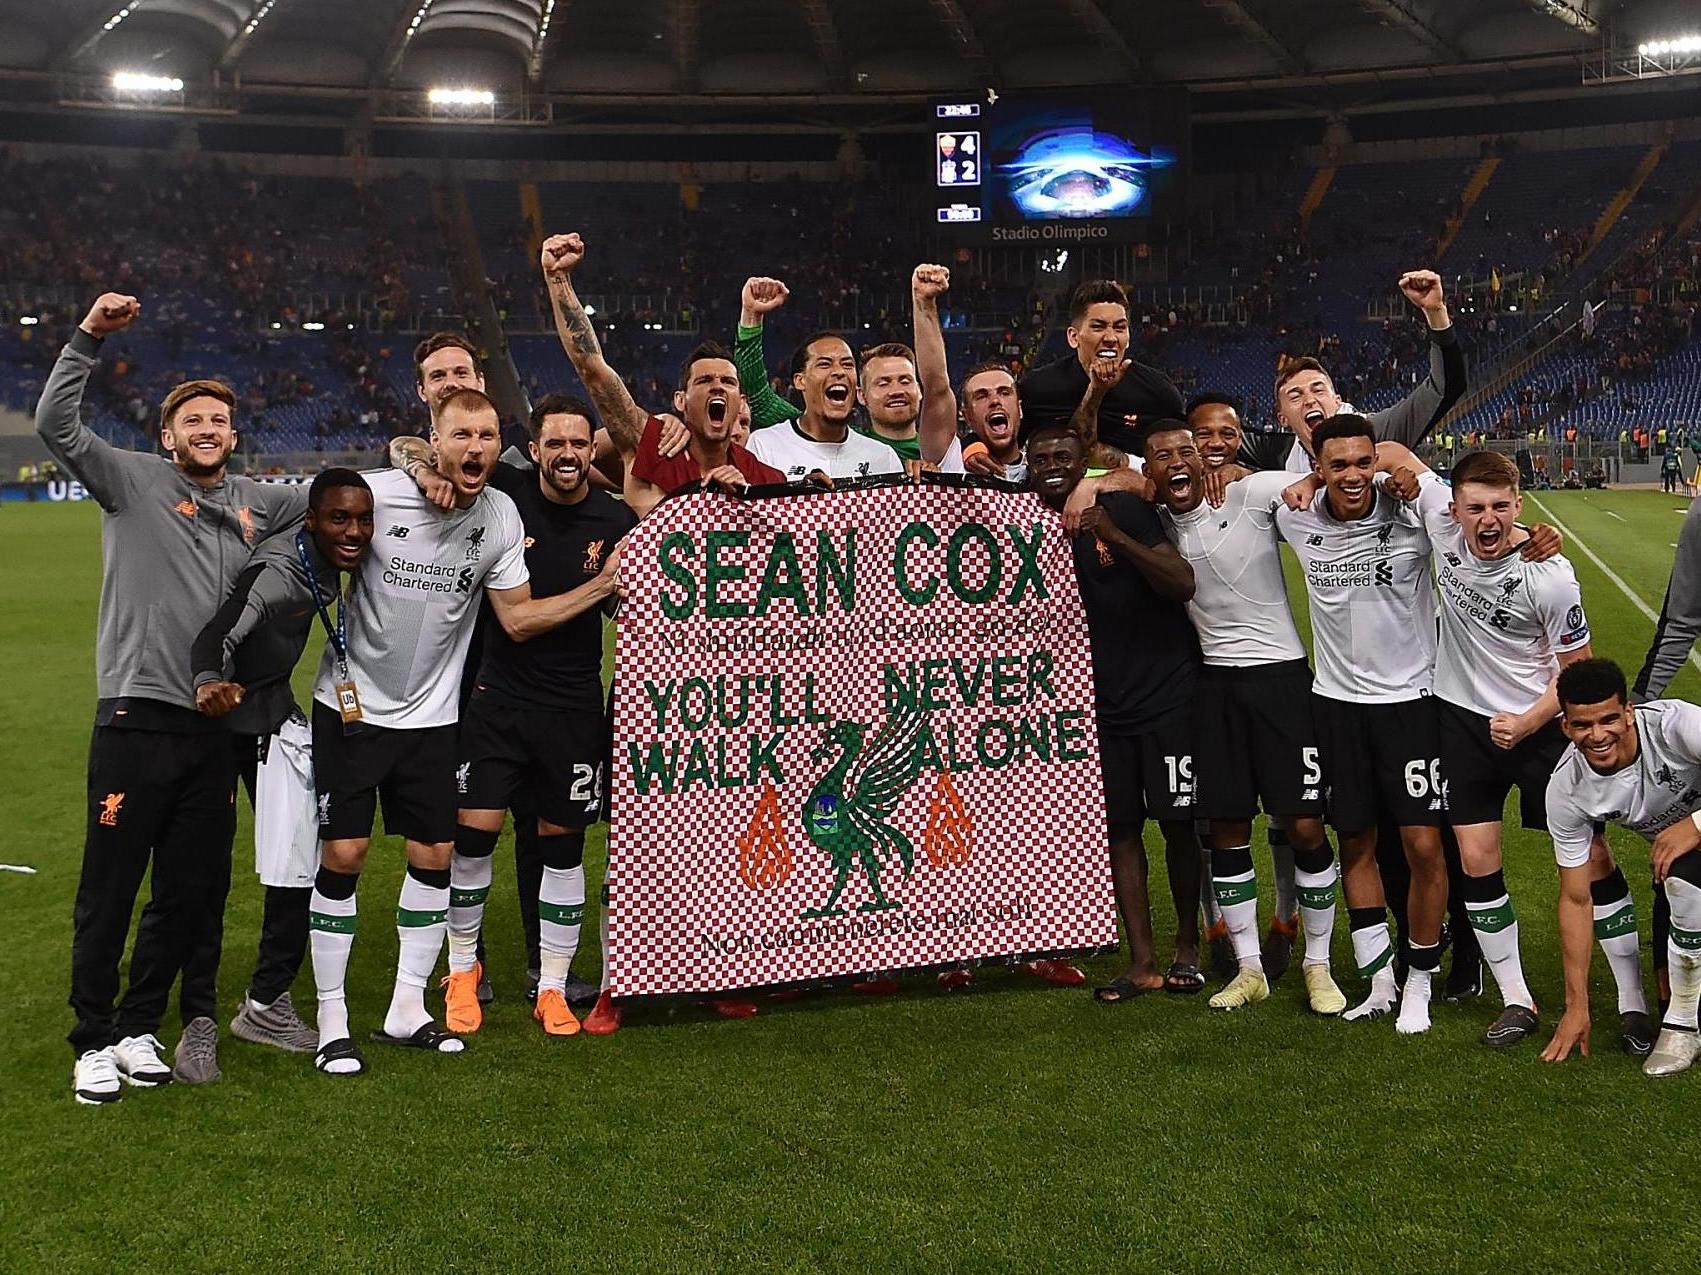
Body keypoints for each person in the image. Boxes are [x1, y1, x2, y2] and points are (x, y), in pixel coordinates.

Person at [40, 292, 311, 1106]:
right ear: (167, 433)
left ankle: (134, 1026)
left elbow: (345, 494)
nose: (205, 429)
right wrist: (88, 335)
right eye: (191, 419)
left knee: (184, 892)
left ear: (234, 436)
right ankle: (90, 1038)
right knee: (110, 887)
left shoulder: (258, 503)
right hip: (133, 717)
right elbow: (57, 425)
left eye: (218, 421)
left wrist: (426, 462)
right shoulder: (130, 478)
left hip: (211, 729)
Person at [306, 387, 622, 1077]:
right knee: (346, 854)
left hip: (437, 717)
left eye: (485, 434)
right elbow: (312, 513)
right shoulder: (381, 493)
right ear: (434, 438)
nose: (475, 447)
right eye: (461, 435)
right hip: (353, 710)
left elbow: (514, 612)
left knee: (434, 854)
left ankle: (405, 1008)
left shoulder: (501, 514)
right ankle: (333, 1018)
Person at [393, 394, 631, 1039]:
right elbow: (414, 448)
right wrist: (422, 469)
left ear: (591, 449)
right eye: (553, 443)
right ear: (535, 449)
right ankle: (463, 970)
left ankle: (552, 987)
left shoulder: (612, 522)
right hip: (497, 700)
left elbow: (632, 616)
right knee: (472, 840)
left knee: (563, 845)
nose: (566, 455)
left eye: (578, 444)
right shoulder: (504, 493)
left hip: (575, 707)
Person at [1142, 422, 1346, 1016]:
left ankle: (1318, 964)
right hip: (1215, 687)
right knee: (1227, 829)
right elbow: (1108, 476)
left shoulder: (1248, 495)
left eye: (1188, 451)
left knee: (1306, 827)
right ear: (1151, 472)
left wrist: (1266, 475)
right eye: (1163, 457)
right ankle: (1251, 967)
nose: (1178, 462)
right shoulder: (1155, 520)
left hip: (1281, 681)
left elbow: (1314, 481)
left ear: (1207, 457)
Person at [1414, 449, 1599, 1048]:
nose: (1486, 520)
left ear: (1519, 506)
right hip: (1462, 723)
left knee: (1591, 858)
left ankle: (1626, 999)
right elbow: (1389, 450)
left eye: (1500, 506)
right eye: (1475, 508)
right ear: (1454, 509)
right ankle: (1517, 998)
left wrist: (1526, 721)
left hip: (1538, 727)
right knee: (1476, 859)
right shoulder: (1439, 524)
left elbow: (1579, 673)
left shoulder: (1549, 574)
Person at [1273, 418, 1452, 1032]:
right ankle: (1379, 983)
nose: (1350, 475)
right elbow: (1232, 484)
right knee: (1356, 842)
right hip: (1337, 707)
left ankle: (1420, 980)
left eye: (1361, 463)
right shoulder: (1295, 515)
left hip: (1411, 703)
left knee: (1423, 844)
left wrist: (1410, 475)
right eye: (1336, 465)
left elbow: (1483, 514)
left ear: (1375, 461)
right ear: (1317, 467)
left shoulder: (1413, 513)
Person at [190, 469, 376, 1055]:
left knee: (299, 856)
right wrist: (210, 681)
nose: (354, 531)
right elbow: (217, 635)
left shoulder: (334, 558)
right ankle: (182, 1006)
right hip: (221, 725)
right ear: (312, 520)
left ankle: (266, 1003)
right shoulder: (280, 574)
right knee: (199, 865)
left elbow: (390, 466)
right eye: (339, 519)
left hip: (272, 713)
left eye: (363, 520)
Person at [1028, 423, 1206, 1001]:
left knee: (1180, 823)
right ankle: (1143, 961)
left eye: (1064, 455)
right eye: (1042, 458)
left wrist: (1115, 535)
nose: (1053, 465)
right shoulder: (1026, 523)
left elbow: (1181, 583)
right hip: (1098, 708)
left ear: (1087, 464)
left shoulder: (1122, 508)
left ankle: (1188, 948)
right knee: (1120, 831)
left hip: (1167, 695)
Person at [538, 234, 783, 514]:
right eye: (704, 381)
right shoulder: (652, 445)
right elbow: (592, 369)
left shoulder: (766, 480)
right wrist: (558, 279)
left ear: (740, 402)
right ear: (680, 400)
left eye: (727, 382)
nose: (717, 387)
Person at [1540, 660, 1670, 1067]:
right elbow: (1577, 900)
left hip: (1689, 841)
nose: (1597, 736)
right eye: (1582, 725)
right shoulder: (1566, 789)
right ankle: (1669, 1014)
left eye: (1609, 719)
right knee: (1680, 886)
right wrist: (1576, 1004)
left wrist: (1693, 826)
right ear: (1565, 726)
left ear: (1629, 712)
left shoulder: (1676, 728)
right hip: (1682, 864)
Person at [1248, 270, 1465, 474]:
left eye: (1319, 390)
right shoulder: (1281, 455)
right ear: (1282, 419)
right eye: (1295, 396)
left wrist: (1435, 311)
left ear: (1338, 400)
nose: (1310, 400)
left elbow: (1445, 387)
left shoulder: (1374, 432)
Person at [734, 274, 957, 472]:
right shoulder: (784, 437)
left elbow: (937, 386)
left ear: (920, 390)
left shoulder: (937, 451)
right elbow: (758, 395)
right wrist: (751, 318)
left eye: (905, 380)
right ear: (862, 394)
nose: (896, 390)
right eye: (883, 382)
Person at [732, 284, 905, 481]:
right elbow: (757, 392)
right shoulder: (764, 446)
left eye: (847, 364)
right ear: (800, 381)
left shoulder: (883, 458)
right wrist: (751, 317)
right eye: (825, 364)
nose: (839, 371)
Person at [1017, 279, 1185, 462]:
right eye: (1098, 327)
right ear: (1074, 337)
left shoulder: (1158, 390)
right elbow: (1006, 445)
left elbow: (1191, 447)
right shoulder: (1037, 389)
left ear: (1128, 338)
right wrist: (979, 449)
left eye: (1120, 328)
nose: (1111, 338)